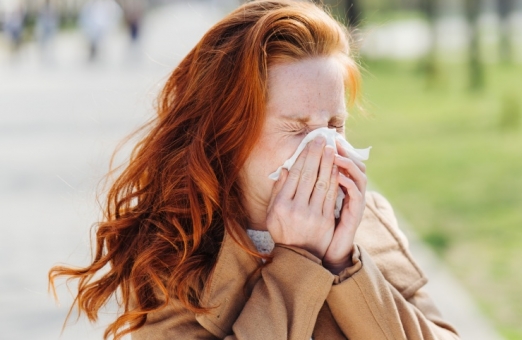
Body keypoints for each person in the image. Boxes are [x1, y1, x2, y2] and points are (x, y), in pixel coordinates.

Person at [49, 1, 460, 339]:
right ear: (228, 134)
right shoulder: (174, 255)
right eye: (296, 128)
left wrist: (343, 265)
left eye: (335, 125)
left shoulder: (367, 219)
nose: (325, 147)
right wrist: (298, 261)